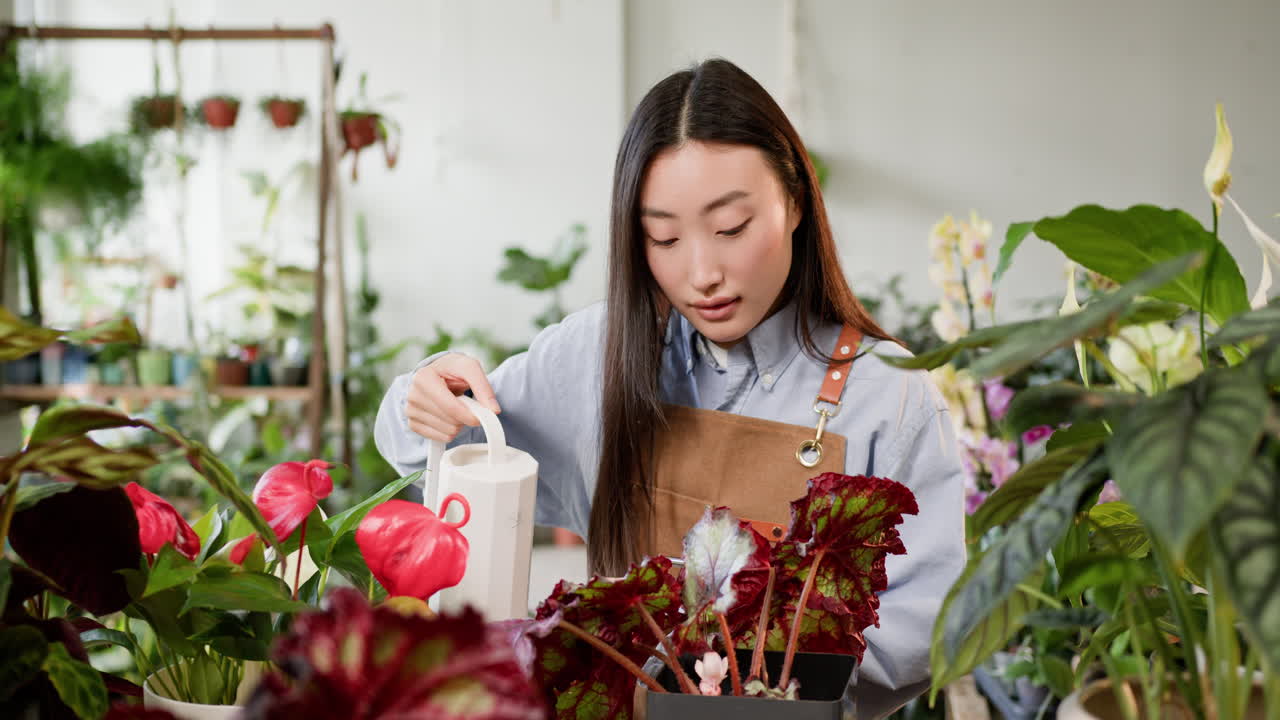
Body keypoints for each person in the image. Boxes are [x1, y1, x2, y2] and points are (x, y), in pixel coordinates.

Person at [375, 58, 964, 718]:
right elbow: (435, 471)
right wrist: (424, 400)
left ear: (795, 201)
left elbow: (926, 630)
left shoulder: (891, 396)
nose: (701, 272)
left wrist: (743, 693)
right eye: (664, 237)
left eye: (731, 228)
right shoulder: (598, 357)